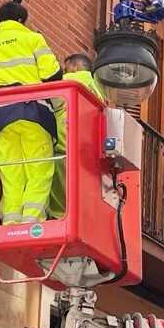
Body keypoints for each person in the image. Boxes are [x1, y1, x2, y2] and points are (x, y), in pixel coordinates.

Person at [0, 1, 61, 225]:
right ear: (22, 20)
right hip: (33, 112)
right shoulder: (32, 39)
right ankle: (32, 222)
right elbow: (52, 75)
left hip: (0, 119)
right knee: (38, 170)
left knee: (11, 175)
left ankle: (10, 224)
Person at [50, 52, 108, 218]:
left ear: (75, 67)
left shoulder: (70, 81)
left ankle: (58, 217)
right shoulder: (99, 91)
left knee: (59, 189)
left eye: (66, 67)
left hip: (64, 144)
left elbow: (49, 100)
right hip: (86, 151)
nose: (64, 70)